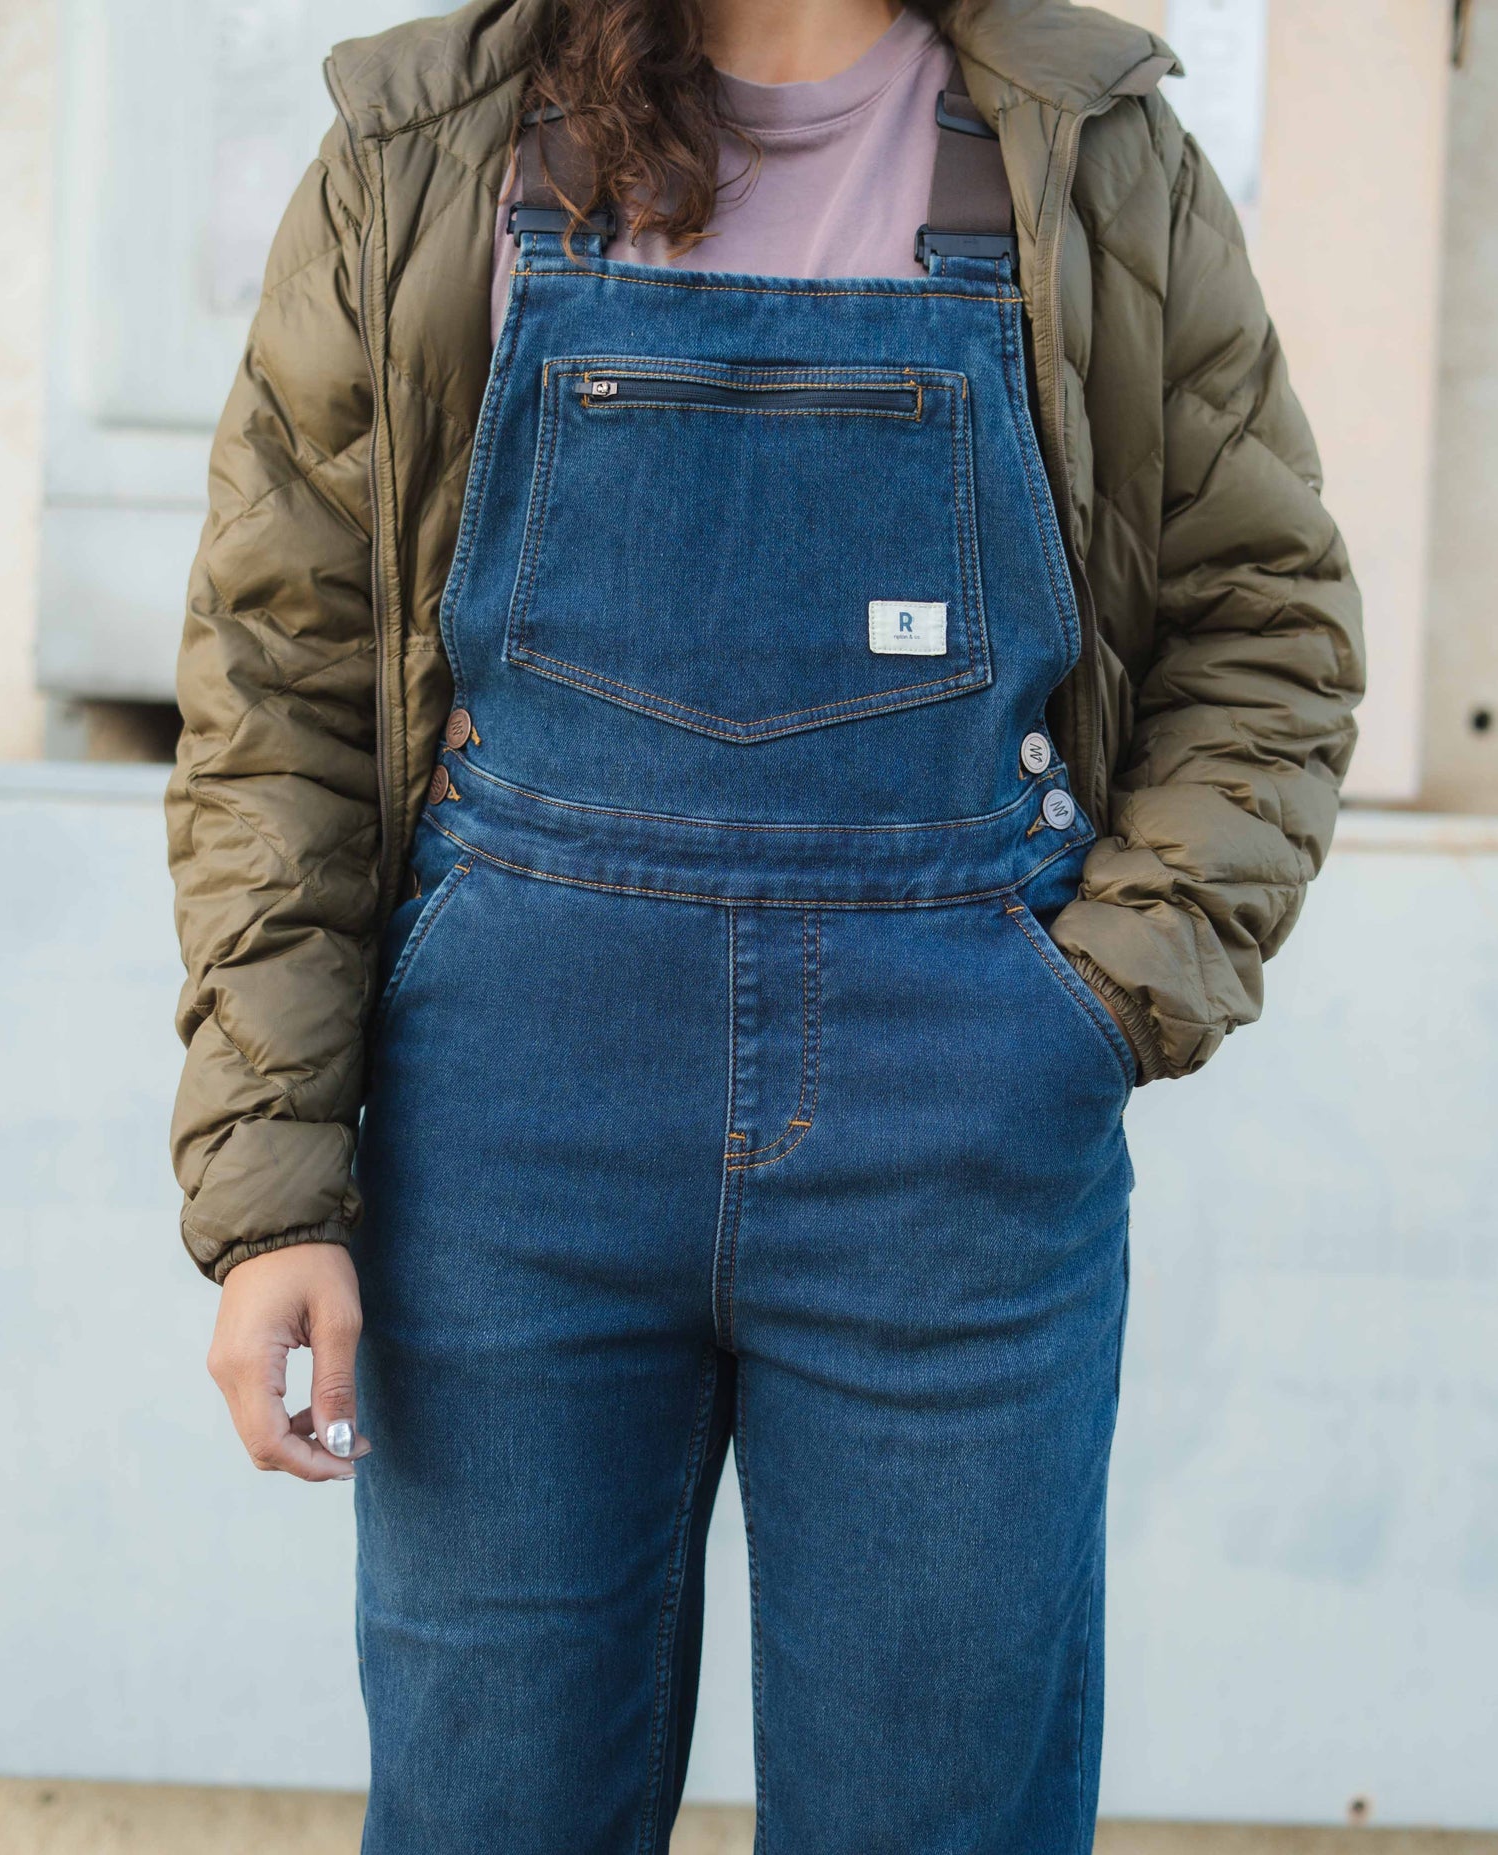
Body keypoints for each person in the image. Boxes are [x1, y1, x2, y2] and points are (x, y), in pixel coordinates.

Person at [167, 0, 1364, 1848]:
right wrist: (272, 1193)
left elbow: (1264, 622)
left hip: (951, 1149)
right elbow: (281, 683)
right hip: (506, 1152)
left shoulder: (1085, 148)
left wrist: (1093, 1009)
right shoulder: (432, 146)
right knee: (494, 1812)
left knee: (937, 1813)